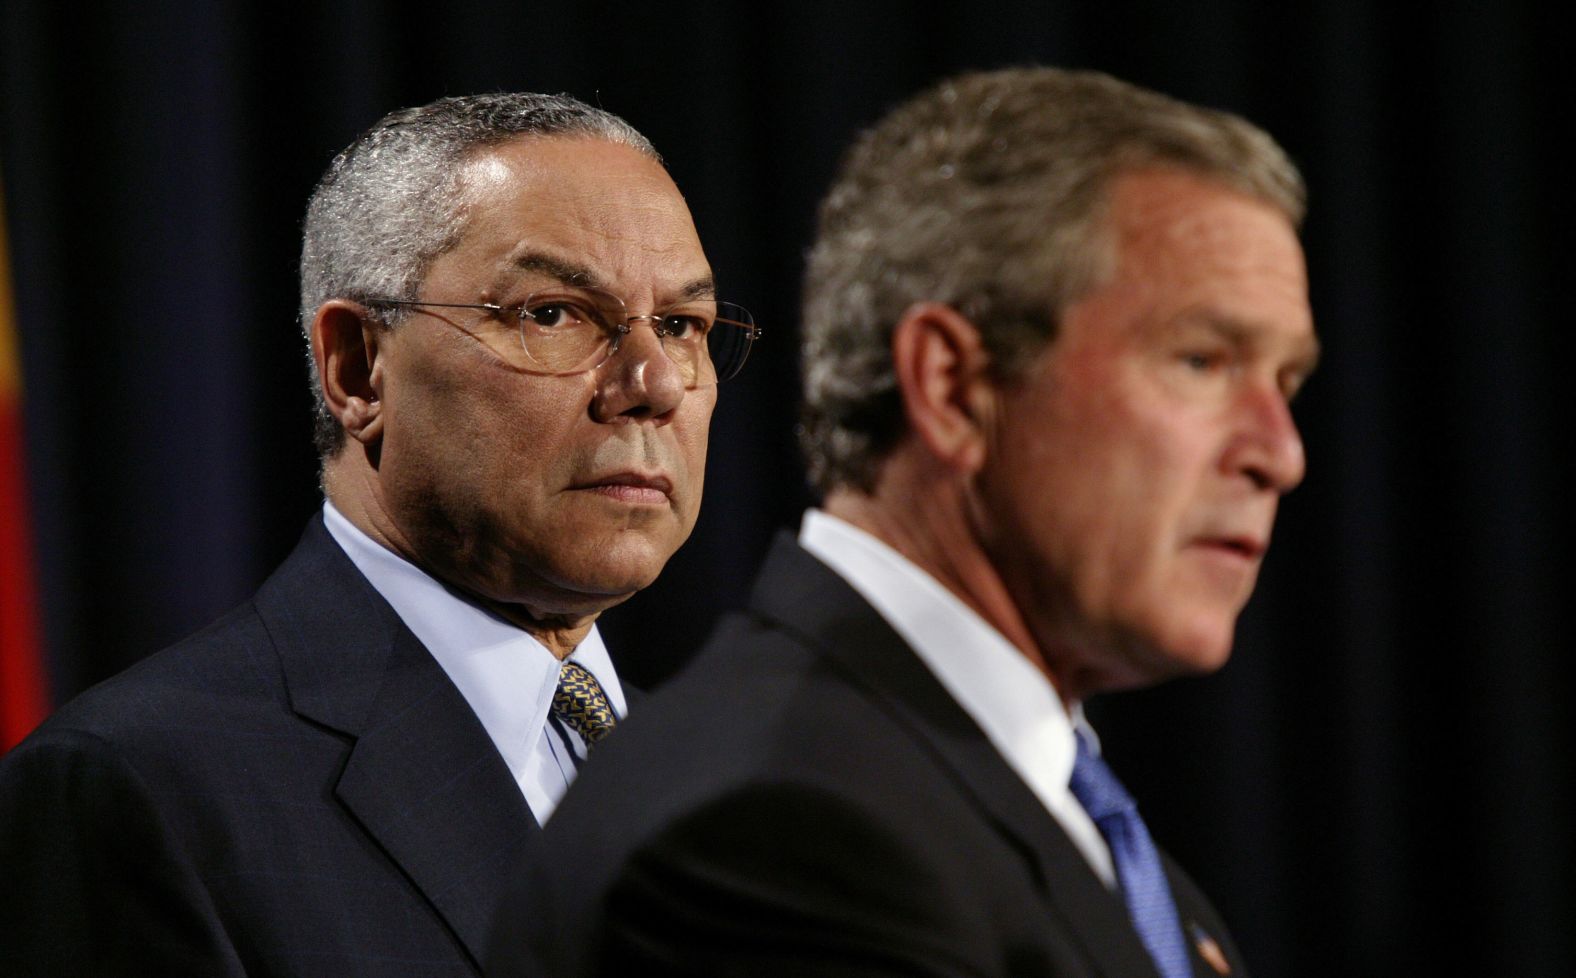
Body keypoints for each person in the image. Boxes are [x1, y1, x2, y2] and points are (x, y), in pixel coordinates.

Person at [508, 67, 1319, 978]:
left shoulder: (1105, 851)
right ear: (953, 388)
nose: (1278, 452)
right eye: (1203, 360)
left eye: (1286, 382)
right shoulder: (779, 833)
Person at [0, 92, 756, 976]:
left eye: (680, 325)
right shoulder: (144, 792)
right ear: (358, 368)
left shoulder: (745, 789)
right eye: (551, 313)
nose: (654, 382)